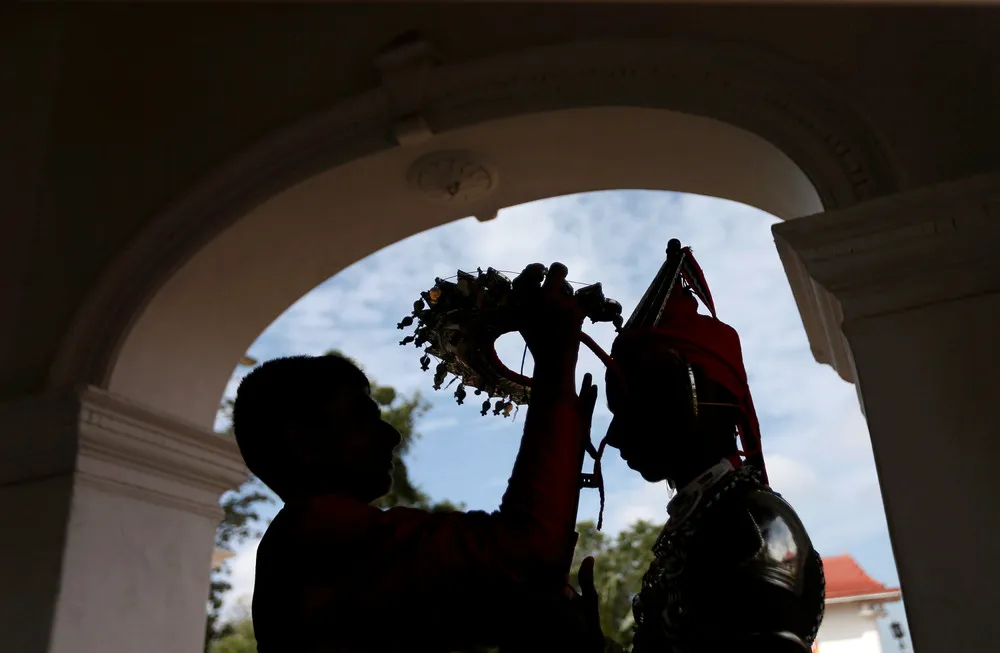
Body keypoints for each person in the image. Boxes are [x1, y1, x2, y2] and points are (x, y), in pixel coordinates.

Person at [232, 262, 599, 653]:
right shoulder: (313, 533)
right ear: (304, 442)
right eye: (362, 417)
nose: (392, 435)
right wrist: (556, 368)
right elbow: (525, 552)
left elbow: (523, 580)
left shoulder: (328, 553)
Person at [572, 241, 826, 653]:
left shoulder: (753, 529)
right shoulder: (709, 520)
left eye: (635, 406)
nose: (615, 436)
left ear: (695, 395)